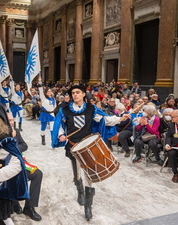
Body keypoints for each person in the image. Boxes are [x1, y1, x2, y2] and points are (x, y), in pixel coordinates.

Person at [52, 85, 130, 221]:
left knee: (89, 176)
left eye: (77, 92)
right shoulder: (64, 110)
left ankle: (88, 206)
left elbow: (105, 119)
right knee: (76, 173)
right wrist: (60, 135)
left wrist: (120, 119)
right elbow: (59, 126)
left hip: (88, 146)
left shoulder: (91, 109)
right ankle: (79, 191)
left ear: (83, 94)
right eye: (73, 93)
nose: (75, 95)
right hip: (73, 146)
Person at [7, 112, 42, 221]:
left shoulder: (16, 131)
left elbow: (24, 145)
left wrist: (15, 149)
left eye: (12, 120)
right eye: (8, 120)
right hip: (6, 168)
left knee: (38, 174)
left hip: (18, 163)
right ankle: (13, 202)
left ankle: (29, 207)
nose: (11, 122)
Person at [38, 78, 56, 145]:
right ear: (45, 92)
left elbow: (54, 107)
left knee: (52, 128)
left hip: (51, 114)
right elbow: (40, 91)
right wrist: (40, 83)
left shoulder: (53, 99)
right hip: (45, 114)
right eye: (48, 91)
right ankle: (43, 139)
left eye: (50, 91)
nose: (49, 92)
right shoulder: (43, 98)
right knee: (43, 127)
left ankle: (53, 140)